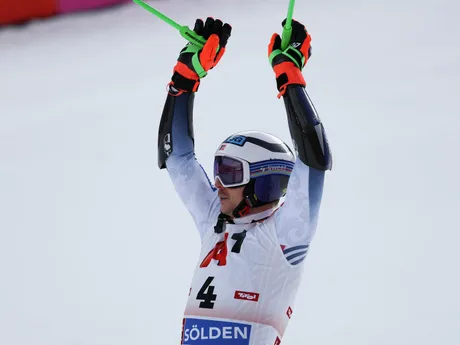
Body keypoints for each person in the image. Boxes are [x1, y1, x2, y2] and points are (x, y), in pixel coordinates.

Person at [157, 16, 332, 345]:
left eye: (232, 172)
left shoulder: (286, 234)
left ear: (264, 181)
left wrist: (290, 78)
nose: (218, 183)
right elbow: (176, 156)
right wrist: (184, 78)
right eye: (219, 169)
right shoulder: (214, 218)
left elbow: (314, 159)